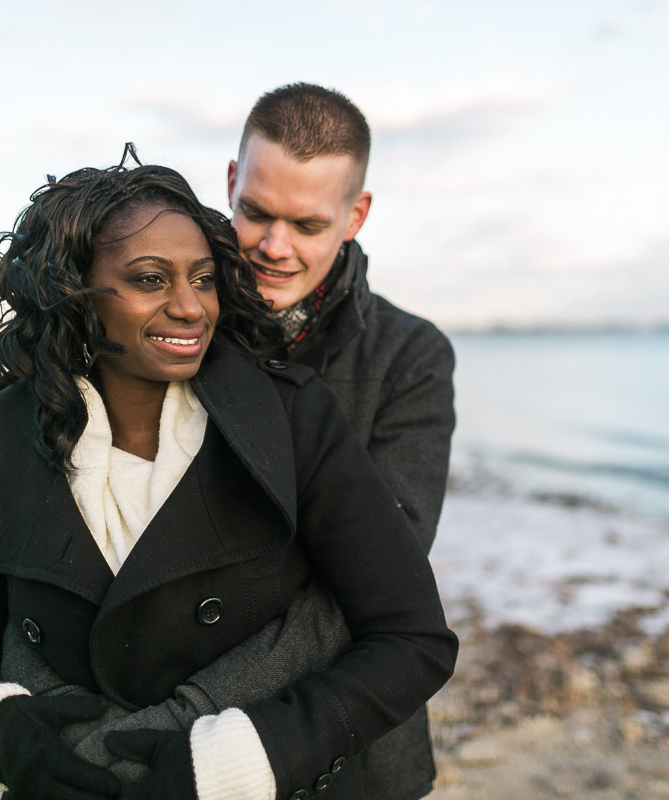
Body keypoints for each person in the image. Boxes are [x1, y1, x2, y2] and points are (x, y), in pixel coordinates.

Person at [0, 154, 457, 800]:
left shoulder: (292, 416)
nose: (189, 307)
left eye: (202, 280)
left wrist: (248, 757)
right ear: (72, 288)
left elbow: (410, 632)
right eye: (151, 279)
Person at [227, 86, 456, 797]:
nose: (274, 245)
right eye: (257, 212)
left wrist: (216, 708)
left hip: (355, 738)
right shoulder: (177, 323)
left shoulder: (411, 357)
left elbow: (382, 574)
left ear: (355, 215)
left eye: (306, 223)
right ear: (231, 181)